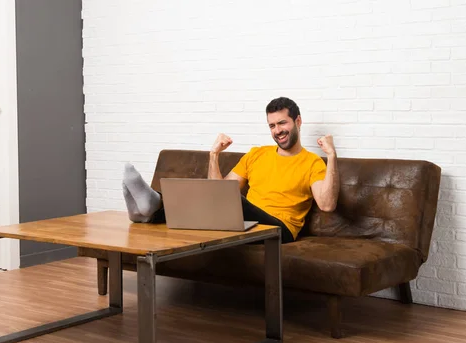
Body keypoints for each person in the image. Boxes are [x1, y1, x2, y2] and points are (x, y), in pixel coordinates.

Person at [122, 97, 339, 243]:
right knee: (217, 198)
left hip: (280, 230)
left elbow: (327, 204)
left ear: (298, 121)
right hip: (247, 223)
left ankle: (152, 207)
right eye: (272, 126)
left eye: (282, 123)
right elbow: (218, 193)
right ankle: (150, 209)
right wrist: (214, 155)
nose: (278, 131)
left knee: (235, 201)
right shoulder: (257, 154)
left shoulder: (312, 163)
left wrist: (331, 156)